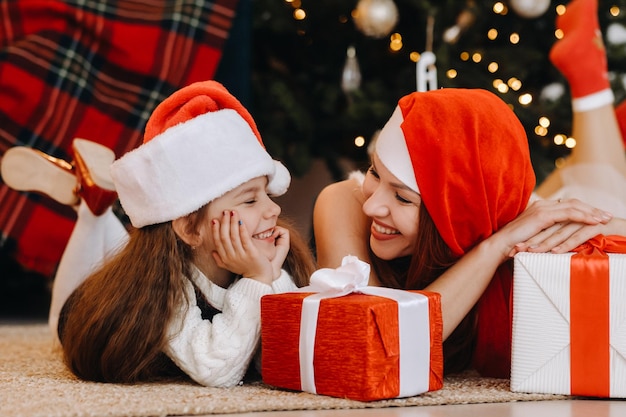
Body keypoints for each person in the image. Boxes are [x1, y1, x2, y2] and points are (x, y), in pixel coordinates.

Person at [313, 0, 626, 379]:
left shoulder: (504, 219)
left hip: (539, 206)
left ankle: (591, 81)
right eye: (375, 173)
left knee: (597, 181)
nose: (372, 206)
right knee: (598, 171)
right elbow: (374, 346)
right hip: (511, 217)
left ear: (455, 216)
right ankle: (591, 80)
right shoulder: (343, 201)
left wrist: (598, 224)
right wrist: (493, 248)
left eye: (402, 197)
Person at [1, 80, 316, 387]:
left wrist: (270, 278)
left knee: (125, 246)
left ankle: (97, 198)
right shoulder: (165, 290)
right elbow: (218, 370)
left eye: (267, 193)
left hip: (158, 252)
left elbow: (278, 351)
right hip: (82, 306)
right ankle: (92, 207)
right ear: (191, 228)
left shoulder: (266, 264)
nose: (273, 209)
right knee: (67, 312)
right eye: (250, 199)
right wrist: (257, 280)